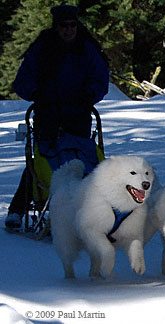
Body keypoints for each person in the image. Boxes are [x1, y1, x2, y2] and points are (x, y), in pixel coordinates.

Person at [5, 4, 109, 229]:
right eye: (64, 26)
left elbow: (100, 78)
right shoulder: (42, 48)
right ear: (56, 26)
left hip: (78, 114)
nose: (69, 30)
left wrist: (89, 94)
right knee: (44, 161)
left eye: (73, 25)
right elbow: (22, 81)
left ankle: (95, 208)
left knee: (84, 160)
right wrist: (38, 94)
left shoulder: (87, 48)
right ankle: (17, 209)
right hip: (48, 113)